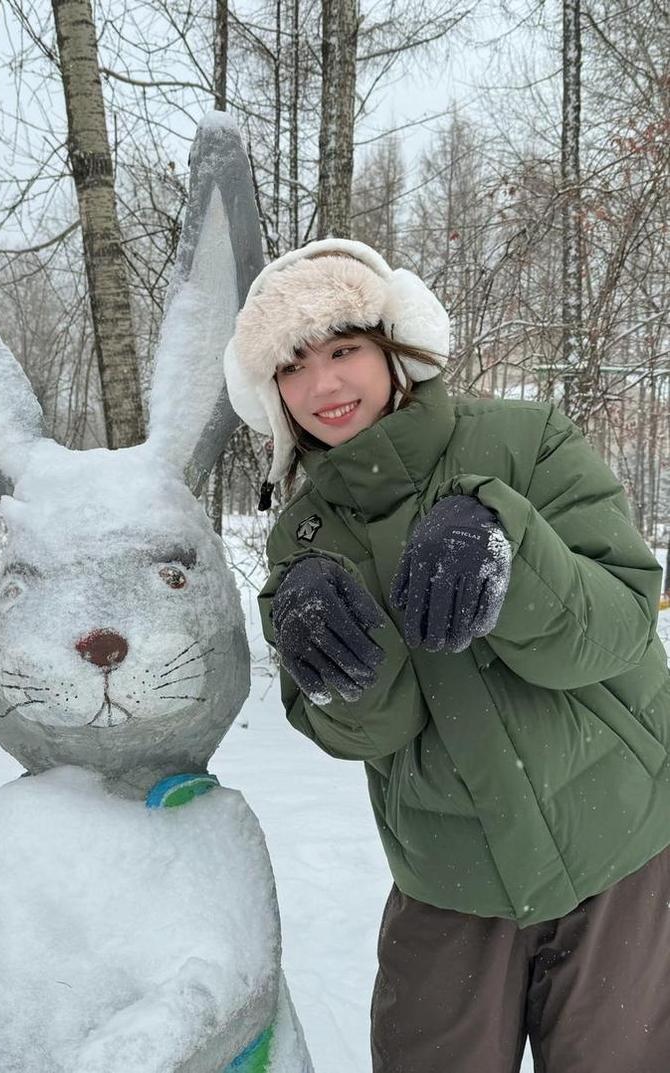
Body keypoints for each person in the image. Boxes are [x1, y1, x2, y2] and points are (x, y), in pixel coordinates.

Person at [222, 238, 670, 1073]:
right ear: (272, 393)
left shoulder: (525, 441)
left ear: (396, 348)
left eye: (345, 349)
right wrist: (334, 667)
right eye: (293, 366)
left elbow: (619, 619)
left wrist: (509, 547)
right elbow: (367, 734)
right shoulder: (304, 543)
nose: (323, 385)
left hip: (621, 844)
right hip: (447, 875)